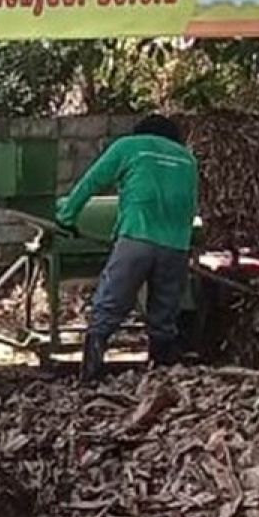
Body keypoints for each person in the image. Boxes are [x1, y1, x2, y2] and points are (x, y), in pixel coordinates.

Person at [56, 114, 199, 382]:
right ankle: (160, 375)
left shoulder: (129, 146)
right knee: (164, 314)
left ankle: (90, 374)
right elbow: (191, 205)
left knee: (109, 305)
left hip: (136, 238)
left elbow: (92, 182)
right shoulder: (187, 159)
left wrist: (67, 217)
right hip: (177, 245)